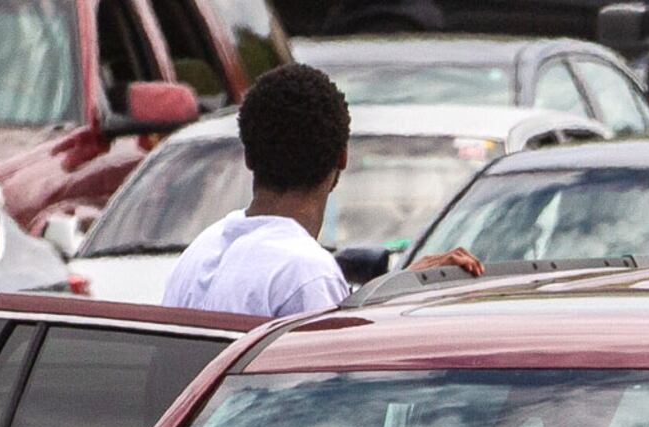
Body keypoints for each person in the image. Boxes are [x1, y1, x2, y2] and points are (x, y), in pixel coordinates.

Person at [161, 65, 481, 316]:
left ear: (248, 156)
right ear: (341, 157)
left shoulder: (201, 252)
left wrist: (399, 284)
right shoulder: (307, 274)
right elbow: (331, 388)